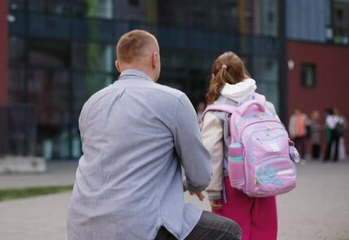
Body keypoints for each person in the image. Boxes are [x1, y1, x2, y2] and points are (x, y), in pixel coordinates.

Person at [67, 30, 241, 240]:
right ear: (155, 59)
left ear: (118, 66)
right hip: (141, 227)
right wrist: (190, 184)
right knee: (229, 232)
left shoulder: (91, 105)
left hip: (82, 227)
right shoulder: (173, 100)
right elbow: (201, 176)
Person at [200, 51, 279, 240]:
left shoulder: (216, 112)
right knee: (265, 232)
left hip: (232, 185)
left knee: (232, 233)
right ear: (244, 74)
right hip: (264, 178)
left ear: (215, 76)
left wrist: (213, 191)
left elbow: (212, 154)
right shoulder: (264, 105)